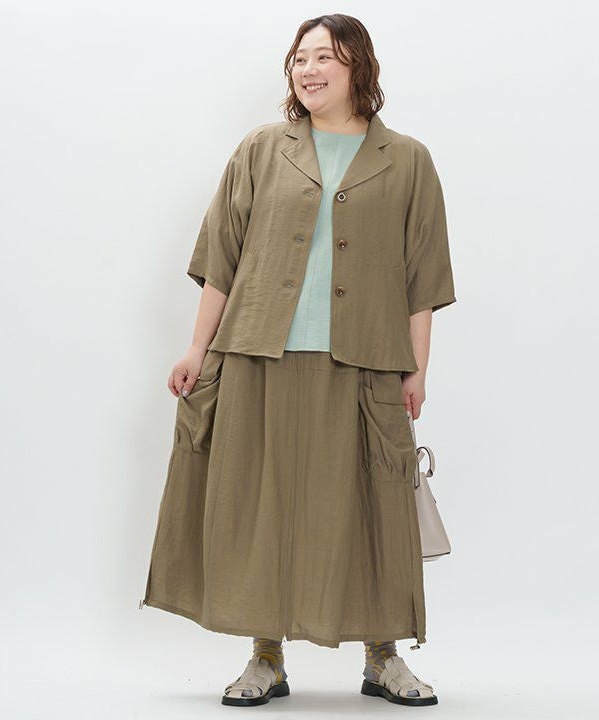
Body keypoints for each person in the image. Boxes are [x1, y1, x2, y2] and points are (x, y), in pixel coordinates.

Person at [140, 13, 456, 708]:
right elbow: (222, 257)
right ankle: (265, 657)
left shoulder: (407, 159)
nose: (308, 70)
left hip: (365, 360)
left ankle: (383, 657)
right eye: (300, 58)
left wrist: (418, 368)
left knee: (372, 509)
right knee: (264, 507)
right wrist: (196, 347)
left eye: (325, 58)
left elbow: (423, 276)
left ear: (358, 67)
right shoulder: (262, 148)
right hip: (259, 353)